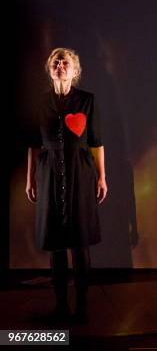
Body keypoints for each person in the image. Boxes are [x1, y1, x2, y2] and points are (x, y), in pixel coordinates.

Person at [25, 48, 107, 323]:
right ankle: (61, 306)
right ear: (50, 69)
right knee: (57, 244)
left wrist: (102, 176)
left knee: (80, 242)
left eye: (66, 62)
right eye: (56, 62)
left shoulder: (87, 100)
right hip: (48, 173)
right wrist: (30, 178)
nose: (61, 65)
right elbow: (34, 145)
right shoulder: (40, 102)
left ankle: (82, 307)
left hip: (80, 173)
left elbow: (96, 142)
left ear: (75, 70)